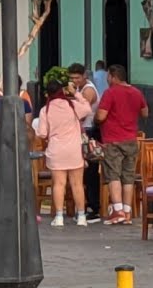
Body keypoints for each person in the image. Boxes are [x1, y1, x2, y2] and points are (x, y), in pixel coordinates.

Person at [36, 73, 92, 227]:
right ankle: (81, 216)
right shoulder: (72, 105)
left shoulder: (45, 110)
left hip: (56, 150)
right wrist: (76, 94)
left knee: (58, 184)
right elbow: (87, 109)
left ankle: (59, 216)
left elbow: (41, 133)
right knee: (77, 184)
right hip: (74, 150)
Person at [95, 65, 148, 226]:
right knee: (128, 177)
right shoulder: (136, 92)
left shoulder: (110, 93)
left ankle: (117, 211)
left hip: (113, 140)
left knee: (113, 175)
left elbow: (101, 115)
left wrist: (97, 120)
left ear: (113, 76)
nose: (107, 79)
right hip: (131, 139)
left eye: (108, 77)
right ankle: (127, 211)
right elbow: (145, 112)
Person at [67, 63, 103, 223]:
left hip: (89, 131)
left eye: (77, 78)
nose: (75, 81)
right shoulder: (79, 90)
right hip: (80, 132)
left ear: (84, 77)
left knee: (90, 171)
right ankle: (85, 204)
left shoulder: (88, 90)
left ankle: (94, 208)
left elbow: (82, 111)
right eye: (72, 78)